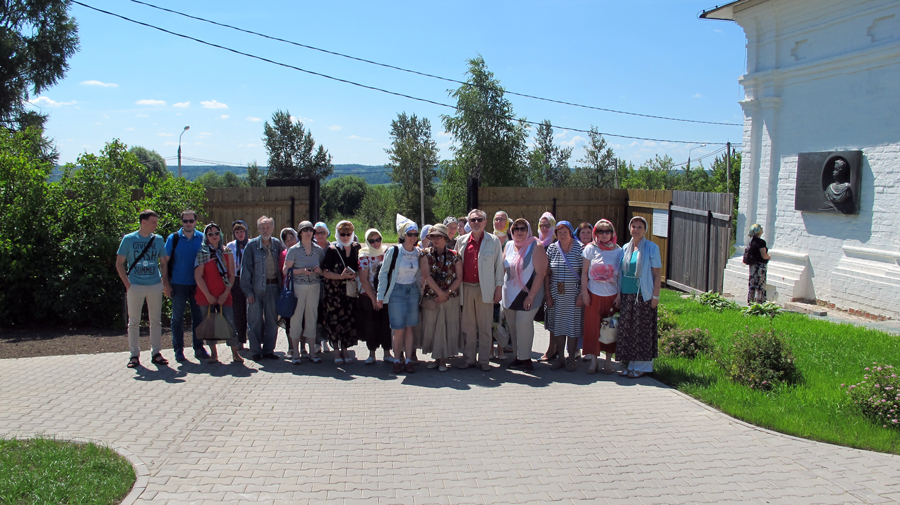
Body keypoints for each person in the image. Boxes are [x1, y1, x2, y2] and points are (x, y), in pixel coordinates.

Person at [116, 209, 170, 368]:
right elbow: (119, 263)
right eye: (153, 222)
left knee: (156, 321)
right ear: (143, 222)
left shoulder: (158, 239)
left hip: (154, 284)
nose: (156, 225)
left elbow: (164, 262)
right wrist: (127, 284)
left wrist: (163, 280)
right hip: (135, 285)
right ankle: (134, 355)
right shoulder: (129, 239)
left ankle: (156, 353)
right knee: (133, 322)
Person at [455, 209, 505, 371]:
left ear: (485, 222)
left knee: (485, 327)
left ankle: (484, 360)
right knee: (468, 327)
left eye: (479, 220)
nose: (476, 223)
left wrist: (498, 289)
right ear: (468, 223)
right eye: (473, 220)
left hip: (486, 289)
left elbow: (499, 267)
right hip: (467, 288)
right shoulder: (461, 241)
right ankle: (468, 358)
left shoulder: (494, 241)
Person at [616, 216, 662, 379]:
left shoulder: (651, 248)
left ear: (645, 230)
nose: (636, 230)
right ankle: (631, 364)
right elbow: (621, 272)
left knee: (641, 331)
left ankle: (642, 366)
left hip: (644, 295)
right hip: (627, 295)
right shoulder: (626, 248)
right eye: (633, 226)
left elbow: (657, 274)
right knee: (628, 331)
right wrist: (619, 295)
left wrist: (655, 296)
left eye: (639, 227)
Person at [377, 215, 422, 374]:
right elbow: (383, 274)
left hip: (412, 291)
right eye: (410, 234)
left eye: (416, 234)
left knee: (410, 328)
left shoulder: (418, 252)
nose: (413, 237)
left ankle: (408, 359)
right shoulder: (394, 251)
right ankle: (397, 359)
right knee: (398, 328)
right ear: (403, 235)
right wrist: (380, 295)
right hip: (396, 291)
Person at [502, 219, 548, 372]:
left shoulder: (536, 246)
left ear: (528, 230)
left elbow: (541, 273)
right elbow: (502, 269)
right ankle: (518, 357)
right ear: (511, 231)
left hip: (528, 294)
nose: (519, 231)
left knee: (524, 325)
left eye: (523, 228)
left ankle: (526, 358)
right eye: (516, 229)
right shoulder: (508, 245)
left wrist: (531, 296)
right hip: (509, 294)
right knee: (513, 328)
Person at [193, 223, 243, 364]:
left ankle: (235, 354)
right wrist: (208, 295)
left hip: (224, 295)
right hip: (205, 296)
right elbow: (198, 276)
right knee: (210, 325)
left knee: (230, 324)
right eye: (210, 234)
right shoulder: (202, 253)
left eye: (216, 233)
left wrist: (225, 293)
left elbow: (232, 275)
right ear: (206, 237)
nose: (214, 236)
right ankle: (214, 354)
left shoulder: (227, 252)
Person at [581, 219, 623, 374]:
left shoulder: (619, 251)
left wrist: (619, 296)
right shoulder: (590, 249)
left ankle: (608, 361)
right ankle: (593, 361)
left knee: (610, 327)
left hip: (611, 295)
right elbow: (584, 273)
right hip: (593, 294)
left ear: (612, 233)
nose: (604, 235)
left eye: (607, 231)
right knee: (592, 328)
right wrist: (584, 292)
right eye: (600, 231)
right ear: (595, 233)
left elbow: (621, 276)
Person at [240, 216, 285, 361]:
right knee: (254, 321)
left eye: (268, 227)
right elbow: (245, 270)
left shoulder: (277, 244)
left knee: (272, 320)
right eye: (262, 228)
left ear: (272, 228)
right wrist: (248, 292)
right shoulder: (251, 246)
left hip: (273, 288)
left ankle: (268, 350)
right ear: (258, 229)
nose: (265, 230)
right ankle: (255, 351)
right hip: (256, 288)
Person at [165, 209, 208, 362]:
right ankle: (178, 351)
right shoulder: (173, 238)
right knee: (177, 318)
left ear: (196, 221)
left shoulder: (202, 238)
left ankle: (199, 347)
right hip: (178, 284)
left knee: (198, 317)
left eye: (191, 221)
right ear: (181, 222)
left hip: (198, 285)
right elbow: (164, 262)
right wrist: (166, 284)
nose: (188, 223)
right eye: (185, 221)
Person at [419, 224, 462, 372]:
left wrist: (447, 293)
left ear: (445, 237)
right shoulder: (425, 254)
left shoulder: (455, 255)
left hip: (450, 298)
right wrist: (440, 293)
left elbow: (459, 278)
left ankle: (443, 359)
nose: (436, 239)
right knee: (432, 327)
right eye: (433, 236)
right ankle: (436, 357)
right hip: (432, 297)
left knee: (446, 326)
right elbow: (426, 275)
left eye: (439, 236)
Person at [283, 221, 325, 364]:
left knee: (311, 319)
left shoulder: (318, 249)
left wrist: (319, 271)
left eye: (311, 229)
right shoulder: (293, 250)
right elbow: (285, 270)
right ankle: (295, 353)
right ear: (300, 233)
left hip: (314, 287)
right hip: (298, 288)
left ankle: (312, 352)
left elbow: (323, 268)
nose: (308, 232)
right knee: (296, 319)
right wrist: (301, 271)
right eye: (305, 229)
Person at [544, 221, 584, 372]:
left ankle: (572, 359)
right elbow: (547, 273)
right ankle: (560, 358)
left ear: (570, 232)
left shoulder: (580, 248)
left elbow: (585, 274)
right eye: (559, 232)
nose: (562, 235)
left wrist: (582, 293)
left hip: (574, 294)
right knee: (559, 327)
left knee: (572, 327)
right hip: (556, 294)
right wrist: (547, 294)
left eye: (565, 232)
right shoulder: (553, 249)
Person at [321, 220, 360, 365]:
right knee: (334, 321)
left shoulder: (356, 248)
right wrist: (341, 277)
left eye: (348, 234)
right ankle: (336, 350)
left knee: (348, 321)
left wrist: (355, 275)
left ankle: (345, 349)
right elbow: (325, 272)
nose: (345, 237)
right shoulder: (332, 250)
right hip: (334, 293)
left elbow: (360, 268)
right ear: (338, 234)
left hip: (349, 292)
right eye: (342, 234)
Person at [357, 228, 393, 364]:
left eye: (378, 239)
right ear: (367, 241)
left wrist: (382, 297)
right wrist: (374, 298)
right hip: (368, 296)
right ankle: (371, 353)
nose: (376, 243)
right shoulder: (363, 255)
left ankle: (387, 352)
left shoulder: (387, 252)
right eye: (372, 241)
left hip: (385, 296)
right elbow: (364, 279)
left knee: (385, 324)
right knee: (370, 324)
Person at [226, 220, 249, 350]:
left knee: (252, 311)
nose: (240, 234)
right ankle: (240, 339)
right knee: (238, 311)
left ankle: (257, 340)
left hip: (249, 280)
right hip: (235, 280)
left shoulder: (251, 244)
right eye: (237, 232)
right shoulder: (230, 246)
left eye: (242, 232)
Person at [279, 227, 299, 356]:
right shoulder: (283, 254)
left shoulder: (301, 252)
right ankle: (291, 346)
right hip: (288, 289)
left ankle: (302, 347)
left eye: (292, 239)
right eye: (287, 240)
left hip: (300, 287)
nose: (290, 242)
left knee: (300, 319)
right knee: (288, 320)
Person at [747, 223, 771, 304]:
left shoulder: (751, 242)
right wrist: (768, 256)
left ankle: (750, 300)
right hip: (761, 266)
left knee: (752, 283)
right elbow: (763, 255)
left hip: (753, 265)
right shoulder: (761, 242)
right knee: (760, 284)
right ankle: (760, 301)